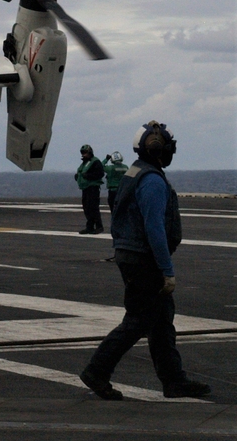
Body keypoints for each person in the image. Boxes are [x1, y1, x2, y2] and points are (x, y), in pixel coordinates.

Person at [79, 121, 210, 400]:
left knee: (161, 320)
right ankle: (96, 371)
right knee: (138, 320)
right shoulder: (151, 180)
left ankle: (174, 380)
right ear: (158, 149)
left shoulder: (135, 171)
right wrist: (166, 269)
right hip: (143, 258)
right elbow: (154, 228)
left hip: (132, 254)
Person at [75, 144, 105, 234]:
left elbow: (100, 173)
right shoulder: (85, 163)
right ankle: (90, 227)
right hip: (85, 188)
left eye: (85, 152)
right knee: (87, 208)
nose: (83, 154)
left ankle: (99, 226)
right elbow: (82, 173)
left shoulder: (95, 162)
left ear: (90, 152)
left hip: (93, 187)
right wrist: (77, 177)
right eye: (82, 153)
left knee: (93, 207)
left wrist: (88, 176)